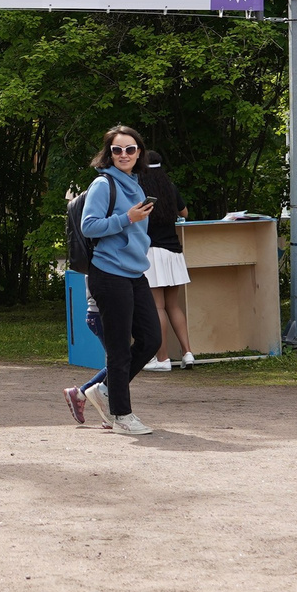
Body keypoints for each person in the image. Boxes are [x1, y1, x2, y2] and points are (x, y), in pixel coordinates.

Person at [76, 125, 162, 436]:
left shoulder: (136, 185)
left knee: (151, 339)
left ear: (139, 153)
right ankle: (122, 416)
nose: (124, 154)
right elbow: (89, 226)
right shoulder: (103, 184)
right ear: (109, 154)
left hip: (135, 273)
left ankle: (103, 389)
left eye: (130, 149)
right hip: (109, 273)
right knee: (119, 349)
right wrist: (127, 218)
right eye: (117, 150)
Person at [139, 148, 193, 372]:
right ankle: (187, 353)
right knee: (173, 306)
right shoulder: (169, 187)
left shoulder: (139, 190)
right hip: (174, 253)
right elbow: (185, 213)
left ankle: (162, 359)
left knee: (157, 307)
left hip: (152, 253)